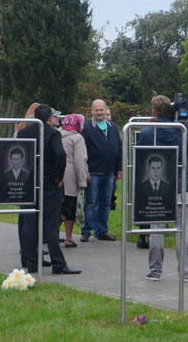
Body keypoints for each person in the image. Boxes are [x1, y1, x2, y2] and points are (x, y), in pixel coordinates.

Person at [137, 95, 188, 282]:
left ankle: (155, 271)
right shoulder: (181, 130)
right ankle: (185, 272)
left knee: (156, 229)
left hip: (158, 191)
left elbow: (140, 156)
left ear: (153, 112)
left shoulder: (149, 132)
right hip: (181, 187)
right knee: (183, 230)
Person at [17, 104, 80, 275]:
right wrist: (58, 176)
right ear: (48, 117)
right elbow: (60, 154)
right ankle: (58, 263)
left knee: (29, 223)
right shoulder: (52, 133)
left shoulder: (23, 133)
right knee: (51, 225)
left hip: (28, 182)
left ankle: (31, 262)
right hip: (48, 184)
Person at [80, 99, 122, 242]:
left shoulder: (113, 127)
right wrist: (85, 171)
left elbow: (119, 149)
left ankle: (102, 231)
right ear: (91, 111)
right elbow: (82, 151)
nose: (99, 112)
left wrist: (119, 169)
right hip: (93, 172)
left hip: (109, 172)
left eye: (101, 110)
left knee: (106, 203)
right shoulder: (86, 128)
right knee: (91, 203)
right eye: (96, 110)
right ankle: (86, 230)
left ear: (106, 110)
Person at [58, 113, 89, 248]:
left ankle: (49, 235)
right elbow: (80, 161)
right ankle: (69, 238)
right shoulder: (77, 138)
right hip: (70, 176)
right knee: (69, 208)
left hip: (57, 175)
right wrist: (82, 181)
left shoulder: (56, 134)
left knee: (58, 208)